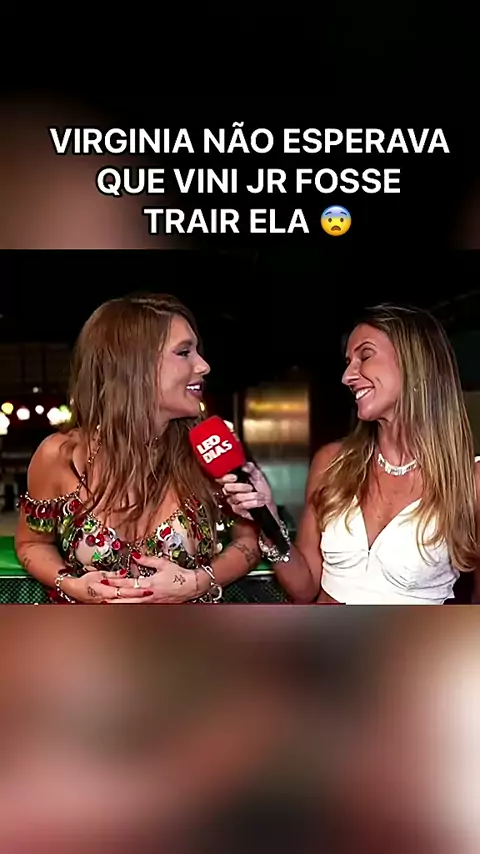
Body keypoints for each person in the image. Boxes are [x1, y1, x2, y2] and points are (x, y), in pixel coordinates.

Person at [219, 304, 480, 605]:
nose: (347, 376)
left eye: (365, 356)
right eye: (348, 362)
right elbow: (304, 588)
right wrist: (269, 519)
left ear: (415, 363)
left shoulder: (470, 481)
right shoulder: (332, 462)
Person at [15, 292, 260, 604]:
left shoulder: (211, 448)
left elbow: (250, 541)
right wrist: (70, 584)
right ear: (134, 366)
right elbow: (32, 543)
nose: (203, 366)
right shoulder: (59, 456)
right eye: (184, 352)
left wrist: (199, 582)